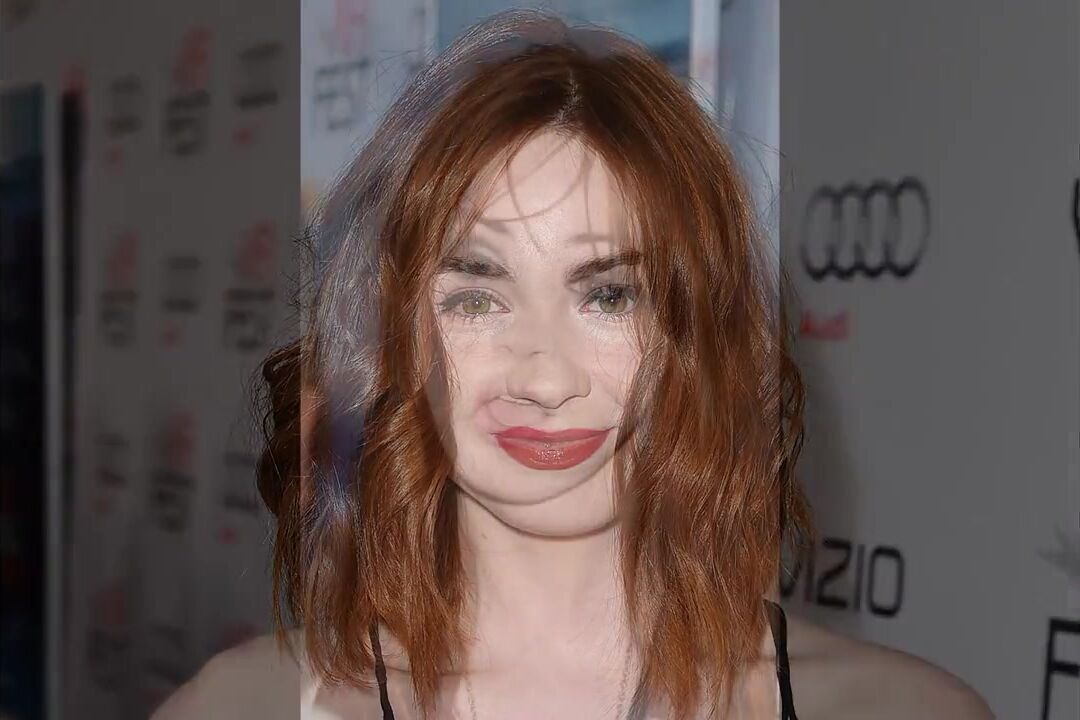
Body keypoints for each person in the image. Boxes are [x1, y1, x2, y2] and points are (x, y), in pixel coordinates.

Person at [153, 10, 994, 720]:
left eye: (609, 296)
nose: (546, 380)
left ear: (697, 332)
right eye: (476, 297)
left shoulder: (902, 710)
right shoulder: (243, 707)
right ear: (388, 335)